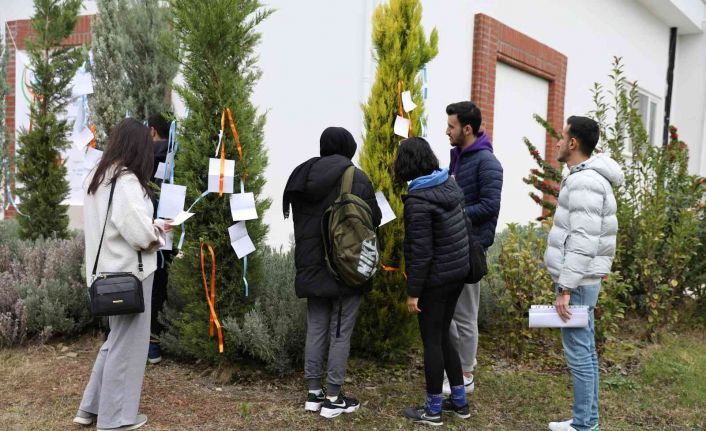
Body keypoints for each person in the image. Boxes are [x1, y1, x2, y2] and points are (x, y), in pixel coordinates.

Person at [73, 118, 170, 431]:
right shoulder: (125, 181)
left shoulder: (97, 176)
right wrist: (158, 230)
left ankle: (90, 408)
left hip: (105, 274)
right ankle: (115, 419)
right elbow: (139, 235)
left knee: (114, 341)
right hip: (131, 275)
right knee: (128, 348)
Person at [283, 127, 381, 419]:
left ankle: (314, 394)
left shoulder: (301, 176)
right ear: (348, 148)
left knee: (316, 327)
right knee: (340, 332)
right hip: (345, 267)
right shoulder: (355, 177)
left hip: (311, 265)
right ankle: (334, 398)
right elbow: (374, 218)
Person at [544, 116, 623, 431]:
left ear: (574, 143)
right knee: (585, 350)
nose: (559, 142)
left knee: (578, 353)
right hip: (583, 280)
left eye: (562, 137)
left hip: (575, 282)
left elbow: (582, 241)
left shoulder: (584, 181)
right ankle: (586, 420)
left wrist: (565, 287)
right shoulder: (585, 176)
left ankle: (584, 425)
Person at [396, 137, 471, 427]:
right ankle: (460, 403)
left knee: (432, 342)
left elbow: (421, 252)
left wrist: (413, 293)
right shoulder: (448, 184)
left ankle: (433, 410)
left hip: (436, 280)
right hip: (456, 274)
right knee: (443, 336)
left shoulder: (417, 200)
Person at [444, 101, 503, 395]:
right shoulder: (458, 156)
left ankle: (466, 373)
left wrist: (455, 214)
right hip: (453, 243)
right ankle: (457, 365)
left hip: (471, 247)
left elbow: (491, 206)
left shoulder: (487, 163)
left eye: (452, 126)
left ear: (467, 129)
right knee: (450, 312)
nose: (447, 131)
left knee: (465, 314)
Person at [146, 112, 172, 364]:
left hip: (145, 228)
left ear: (152, 131)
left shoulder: (142, 157)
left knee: (144, 287)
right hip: (170, 228)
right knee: (161, 287)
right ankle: (155, 344)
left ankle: (142, 345)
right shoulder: (176, 156)